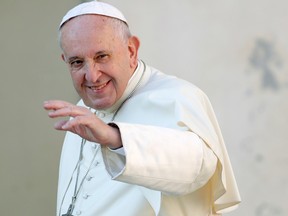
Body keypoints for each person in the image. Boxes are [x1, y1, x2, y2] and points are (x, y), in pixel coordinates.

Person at [43, 1, 241, 216]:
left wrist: (116, 138)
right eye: (77, 62)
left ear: (131, 50)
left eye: (102, 56)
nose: (92, 76)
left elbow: (200, 165)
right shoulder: (82, 109)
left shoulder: (177, 97)